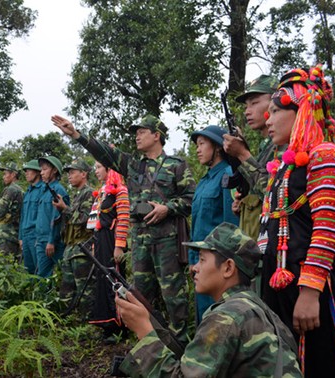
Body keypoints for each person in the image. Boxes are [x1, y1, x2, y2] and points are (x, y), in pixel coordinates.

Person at [52, 114, 195, 343]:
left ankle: (180, 343)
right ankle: (148, 343)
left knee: (173, 294)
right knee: (140, 295)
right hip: (140, 243)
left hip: (167, 241)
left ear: (156, 135)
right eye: (135, 133)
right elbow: (105, 153)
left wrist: (167, 208)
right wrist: (76, 134)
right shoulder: (133, 165)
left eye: (141, 131)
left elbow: (190, 199)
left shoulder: (176, 166)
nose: (137, 136)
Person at [260, 64, 335, 377]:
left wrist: (309, 291)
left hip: (312, 289)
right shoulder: (283, 167)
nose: (269, 120)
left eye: (276, 111)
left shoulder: (325, 155)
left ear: (301, 111)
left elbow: (328, 228)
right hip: (278, 284)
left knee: (318, 365)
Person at [115, 222, 302, 377]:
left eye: (202, 260)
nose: (194, 268)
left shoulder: (227, 316)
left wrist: (143, 330)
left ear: (228, 268)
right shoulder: (253, 305)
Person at [189, 125, 239, 323]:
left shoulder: (228, 174)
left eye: (202, 144)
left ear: (217, 147)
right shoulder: (204, 181)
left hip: (218, 263)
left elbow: (231, 223)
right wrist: (194, 260)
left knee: (218, 317)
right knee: (203, 316)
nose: (198, 149)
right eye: (197, 145)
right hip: (200, 261)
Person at [223, 74, 280, 241]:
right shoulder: (266, 146)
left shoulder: (285, 145)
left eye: (254, 103)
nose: (248, 111)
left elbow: (274, 194)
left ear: (275, 102)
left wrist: (242, 154)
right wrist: (244, 203)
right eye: (246, 106)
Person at [88, 161, 130, 343]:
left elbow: (123, 218)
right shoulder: (102, 192)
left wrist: (119, 245)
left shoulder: (120, 190)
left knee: (114, 280)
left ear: (109, 169)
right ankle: (106, 324)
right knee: (102, 280)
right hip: (101, 241)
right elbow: (95, 221)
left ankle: (120, 325)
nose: (96, 170)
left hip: (113, 241)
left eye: (99, 167)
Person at [55, 159, 94, 315]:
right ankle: (68, 322)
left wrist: (65, 209)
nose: (69, 176)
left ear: (83, 174)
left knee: (85, 290)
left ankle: (88, 324)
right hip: (70, 249)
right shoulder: (77, 195)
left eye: (72, 172)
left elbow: (85, 220)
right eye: (68, 173)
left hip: (82, 250)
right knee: (67, 290)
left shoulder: (90, 193)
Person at [34, 156, 70, 278]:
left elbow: (57, 219)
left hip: (53, 242)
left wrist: (51, 241)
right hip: (41, 240)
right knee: (42, 276)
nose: (41, 172)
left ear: (54, 171)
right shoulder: (44, 190)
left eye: (45, 169)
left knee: (63, 274)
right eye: (41, 170)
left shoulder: (58, 190)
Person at [18, 159, 44, 274]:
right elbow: (23, 216)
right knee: (28, 270)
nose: (26, 173)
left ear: (37, 172)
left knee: (39, 268)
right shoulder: (27, 192)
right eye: (25, 171)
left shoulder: (43, 189)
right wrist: (20, 237)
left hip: (36, 236)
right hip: (26, 236)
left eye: (29, 170)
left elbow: (43, 217)